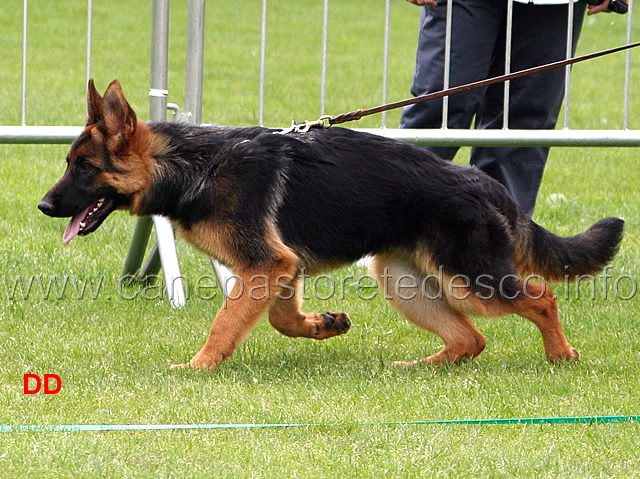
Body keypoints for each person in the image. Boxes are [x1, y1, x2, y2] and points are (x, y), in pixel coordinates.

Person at [401, 0, 618, 218]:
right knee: (444, 103)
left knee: (523, 122)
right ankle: (388, 227)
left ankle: (499, 241)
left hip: (554, 5)